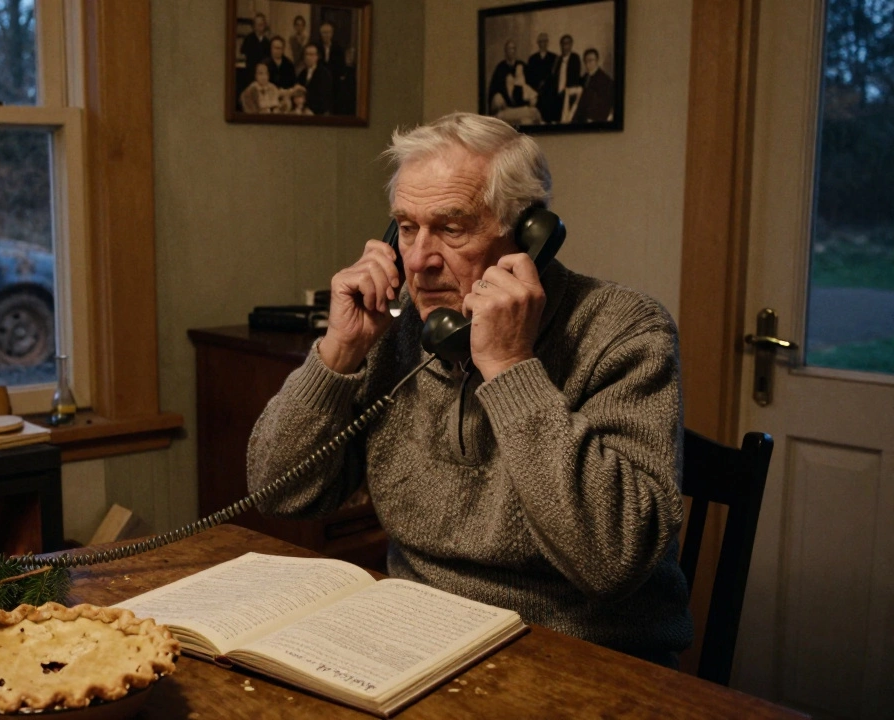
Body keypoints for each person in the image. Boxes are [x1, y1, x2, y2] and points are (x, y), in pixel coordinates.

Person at [247, 112, 694, 667]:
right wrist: (340, 352)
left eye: (451, 228)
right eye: (406, 228)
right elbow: (279, 493)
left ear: (530, 235)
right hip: (416, 639)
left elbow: (612, 559)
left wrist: (510, 368)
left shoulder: (625, 329)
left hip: (581, 655)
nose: (417, 260)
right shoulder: (397, 325)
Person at [488, 40, 540, 126]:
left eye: (513, 49)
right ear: (506, 51)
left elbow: (531, 88)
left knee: (531, 115)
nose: (512, 51)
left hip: (522, 107)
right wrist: (499, 98)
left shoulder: (522, 65)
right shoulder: (501, 68)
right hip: (506, 109)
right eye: (509, 49)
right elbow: (494, 90)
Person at [572, 48, 615, 123]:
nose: (587, 63)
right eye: (586, 61)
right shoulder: (585, 77)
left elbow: (604, 104)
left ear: (597, 61)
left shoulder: (605, 80)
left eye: (591, 60)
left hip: (594, 118)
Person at [547, 34, 582, 123]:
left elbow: (574, 77)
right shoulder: (558, 59)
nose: (565, 46)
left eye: (567, 43)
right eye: (563, 44)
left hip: (569, 93)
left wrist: (565, 91)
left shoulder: (575, 58)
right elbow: (553, 76)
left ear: (571, 45)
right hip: (557, 94)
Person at [526, 33, 557, 120]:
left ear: (547, 43)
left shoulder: (554, 58)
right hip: (536, 93)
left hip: (549, 94)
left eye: (545, 41)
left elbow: (555, 77)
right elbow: (529, 77)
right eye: (541, 41)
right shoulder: (532, 59)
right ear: (538, 43)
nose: (543, 44)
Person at [297, 43, 334, 115]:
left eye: (311, 54)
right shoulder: (302, 74)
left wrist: (312, 109)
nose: (308, 57)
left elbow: (325, 97)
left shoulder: (324, 74)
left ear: (317, 57)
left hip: (319, 113)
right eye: (306, 54)